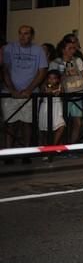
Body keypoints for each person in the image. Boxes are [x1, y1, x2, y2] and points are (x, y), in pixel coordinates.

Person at [2, 25, 49, 163]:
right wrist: (12, 90)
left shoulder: (38, 50)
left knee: (27, 124)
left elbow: (42, 72)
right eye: (20, 33)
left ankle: (26, 153)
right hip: (10, 93)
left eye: (26, 33)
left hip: (30, 93)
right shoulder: (9, 48)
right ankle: (8, 154)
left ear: (32, 35)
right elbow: (5, 70)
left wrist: (29, 89)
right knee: (10, 124)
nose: (23, 36)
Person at [51, 37, 83, 145]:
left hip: (78, 94)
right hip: (63, 96)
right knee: (63, 123)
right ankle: (60, 146)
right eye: (70, 48)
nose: (73, 50)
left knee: (78, 122)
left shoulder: (77, 60)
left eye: (73, 48)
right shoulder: (56, 63)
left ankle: (71, 147)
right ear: (63, 50)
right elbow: (52, 79)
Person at [38, 69, 65, 146]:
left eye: (54, 78)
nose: (51, 80)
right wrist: (46, 92)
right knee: (46, 131)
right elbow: (41, 93)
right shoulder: (44, 86)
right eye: (49, 78)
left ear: (58, 79)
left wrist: (60, 93)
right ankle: (47, 150)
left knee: (61, 126)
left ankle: (52, 147)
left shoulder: (60, 86)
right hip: (46, 108)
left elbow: (63, 95)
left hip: (57, 109)